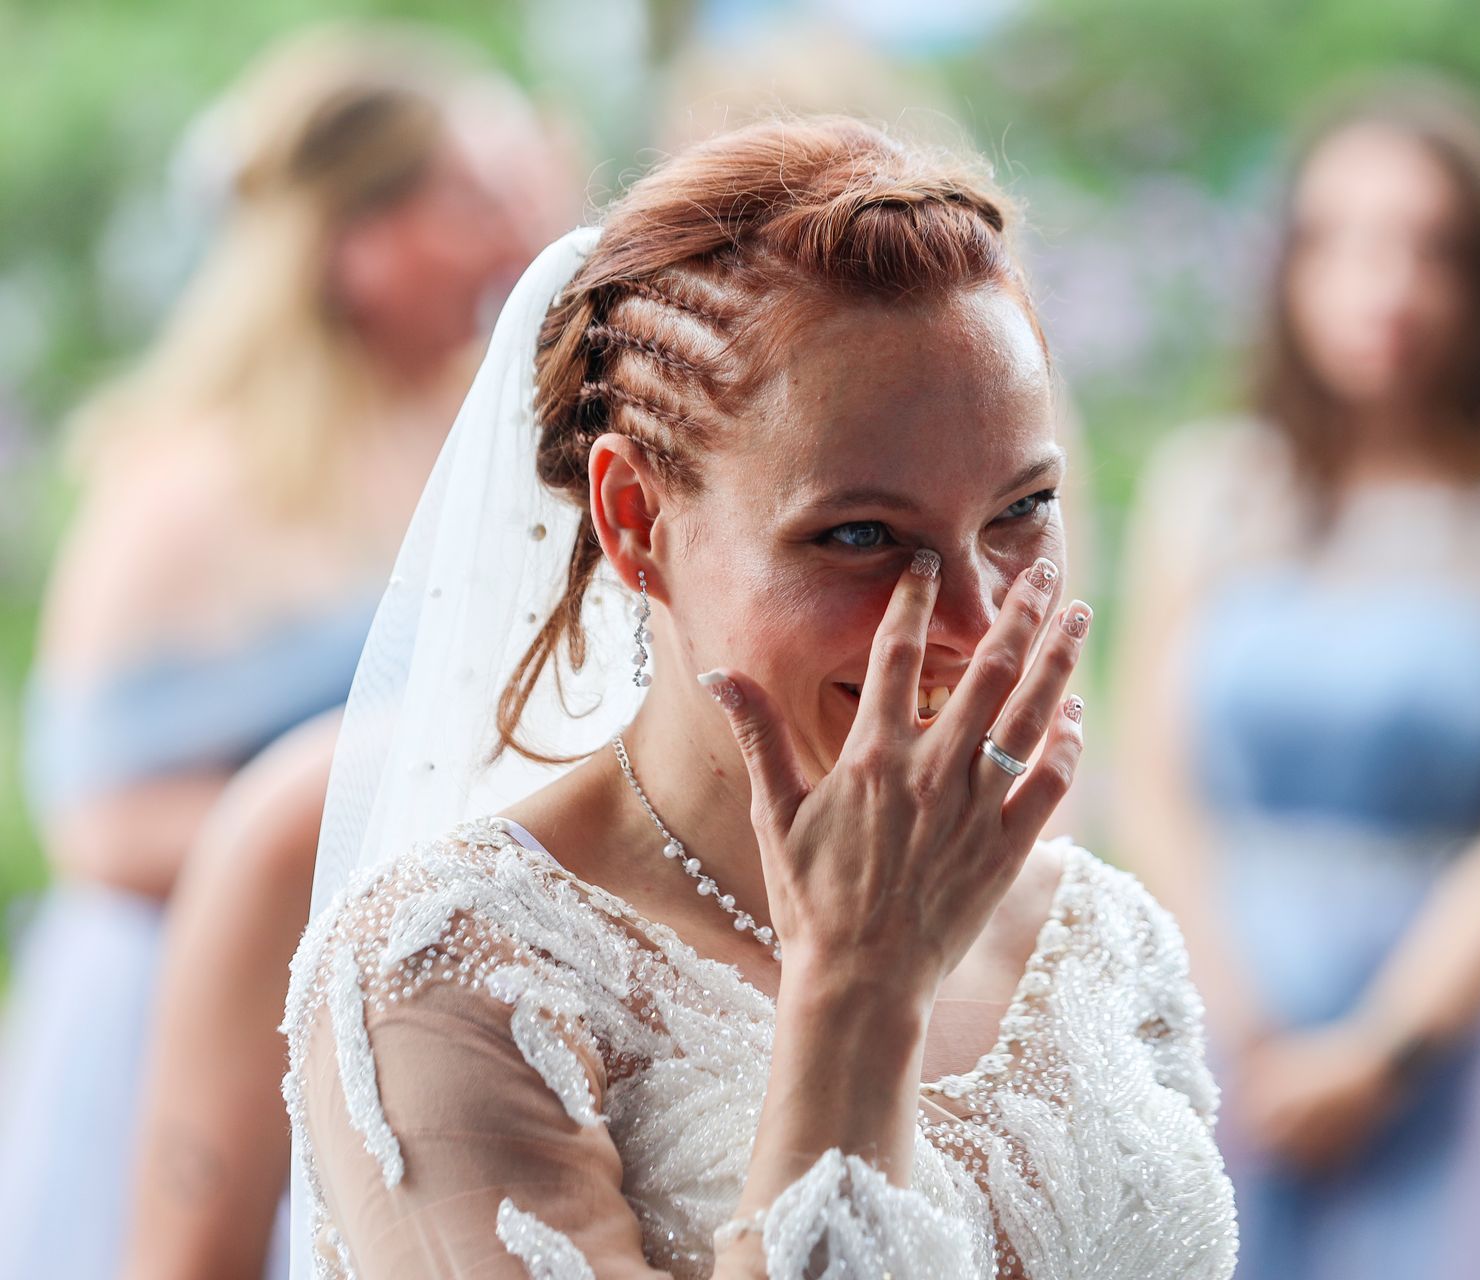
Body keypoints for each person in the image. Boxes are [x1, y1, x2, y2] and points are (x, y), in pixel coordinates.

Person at [281, 116, 1238, 1279]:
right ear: (636, 519)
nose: (979, 618)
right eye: (861, 533)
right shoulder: (455, 977)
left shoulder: (1097, 935)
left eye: (1022, 509)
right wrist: (861, 988)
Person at [0, 27, 562, 1280]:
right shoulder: (186, 487)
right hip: (188, 1005)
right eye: (467, 201)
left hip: (397, 996)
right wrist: (366, 838)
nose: (506, 235)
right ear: (358, 241)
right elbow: (96, 820)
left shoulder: (483, 440)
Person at [1114, 78, 1480, 1278]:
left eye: (1429, 248)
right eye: (1340, 241)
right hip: (1226, 1020)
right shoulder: (1215, 489)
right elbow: (1151, 783)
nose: (1384, 286)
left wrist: (1386, 1049)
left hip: (1465, 1038)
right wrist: (1244, 1032)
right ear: (1288, 266)